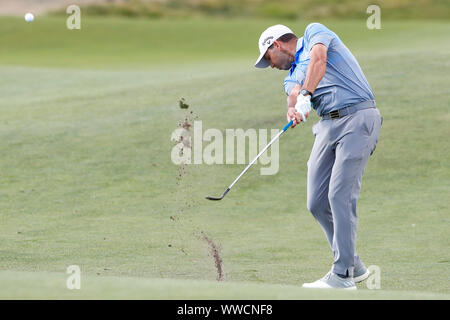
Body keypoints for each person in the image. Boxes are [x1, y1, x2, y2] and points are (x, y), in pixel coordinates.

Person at [254, 23, 382, 289]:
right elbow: (292, 93)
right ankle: (354, 265)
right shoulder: (289, 75)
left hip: (358, 117)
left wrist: (306, 94)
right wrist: (294, 108)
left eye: (268, 59)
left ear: (276, 44)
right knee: (316, 201)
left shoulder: (315, 33)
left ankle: (342, 274)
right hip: (327, 125)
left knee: (339, 195)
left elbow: (319, 59)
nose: (272, 66)